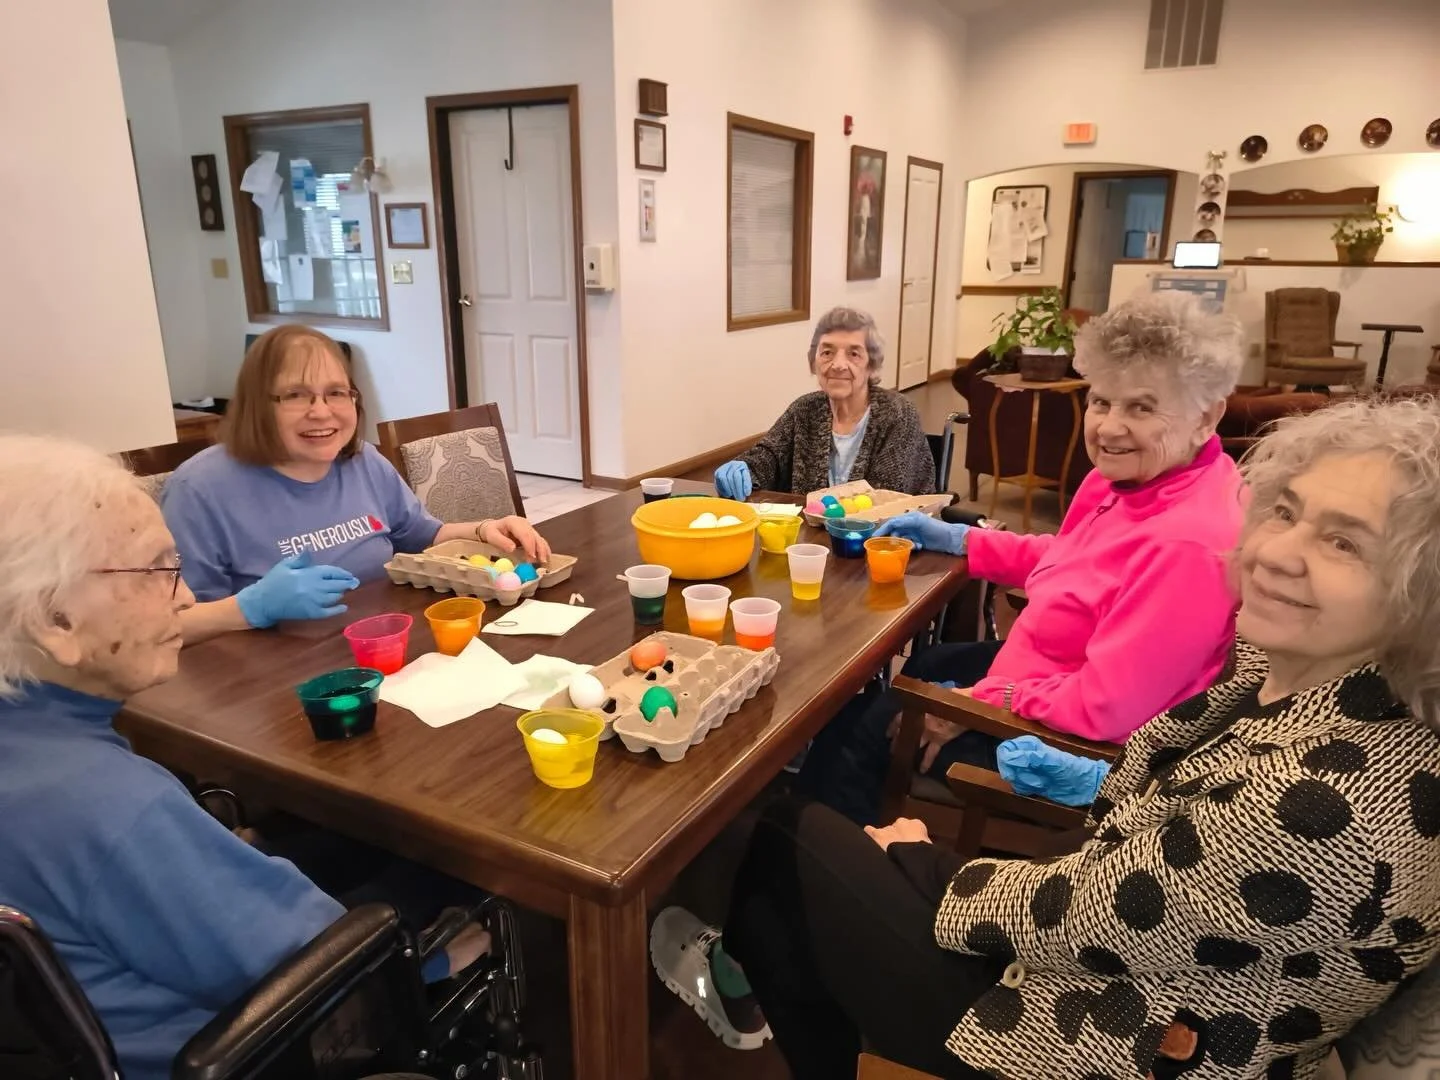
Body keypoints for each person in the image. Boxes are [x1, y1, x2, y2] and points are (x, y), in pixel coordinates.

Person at [654, 397, 1440, 1079]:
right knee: (800, 875)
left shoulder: (1325, 802)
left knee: (775, 833)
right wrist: (1092, 787)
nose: (1276, 553)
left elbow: (1078, 917)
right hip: (1130, 938)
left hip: (1103, 1033)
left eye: (1344, 543)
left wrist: (918, 857)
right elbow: (1188, 843)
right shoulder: (1305, 682)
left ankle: (755, 972)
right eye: (1285, 511)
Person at [0, 435, 491, 1080]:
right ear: (52, 621)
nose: (183, 598)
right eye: (158, 569)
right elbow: (322, 967)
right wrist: (426, 962)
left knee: (333, 843)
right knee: (457, 868)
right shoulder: (113, 808)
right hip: (246, 1050)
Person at [796, 291, 1248, 825]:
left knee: (864, 731)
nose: (1108, 427)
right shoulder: (1129, 481)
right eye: (1101, 401)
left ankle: (819, 851)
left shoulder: (1188, 546)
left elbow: (1106, 707)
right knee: (922, 667)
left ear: (1206, 415)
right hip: (1046, 671)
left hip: (1062, 740)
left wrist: (983, 704)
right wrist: (957, 539)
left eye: (1142, 407)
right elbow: (1073, 561)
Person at [162, 326, 549, 644]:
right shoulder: (200, 490)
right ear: (256, 405)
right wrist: (250, 608)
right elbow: (167, 627)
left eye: (335, 392)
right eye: (296, 395)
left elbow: (419, 534)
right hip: (272, 683)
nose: (321, 411)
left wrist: (484, 529)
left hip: (386, 646)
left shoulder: (361, 459)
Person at [713, 307, 935, 501]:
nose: (838, 365)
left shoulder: (898, 414)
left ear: (871, 365)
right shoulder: (805, 409)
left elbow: (885, 499)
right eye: (827, 352)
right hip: (810, 544)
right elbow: (769, 456)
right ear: (814, 361)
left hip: (883, 544)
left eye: (854, 354)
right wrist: (745, 469)